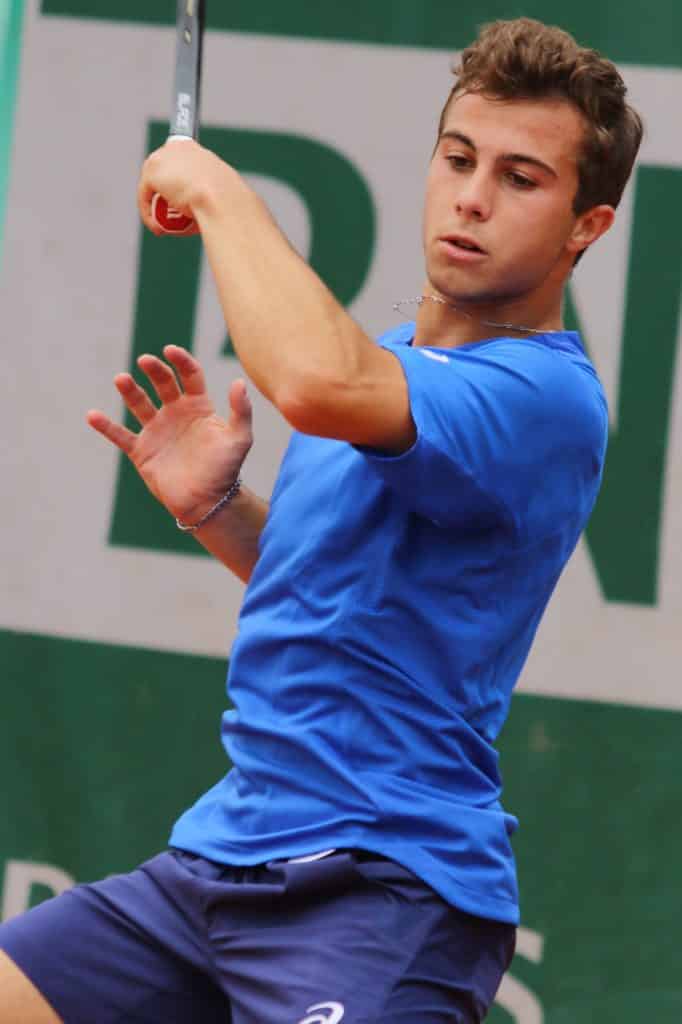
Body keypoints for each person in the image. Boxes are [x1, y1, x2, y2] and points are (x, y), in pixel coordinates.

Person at [0, 16, 642, 1024]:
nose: (472, 197)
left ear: (585, 226)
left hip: (383, 890)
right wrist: (218, 508)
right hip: (219, 860)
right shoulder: (386, 362)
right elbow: (337, 593)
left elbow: (311, 381)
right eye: (459, 158)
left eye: (521, 180)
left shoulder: (540, 397)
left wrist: (211, 185)